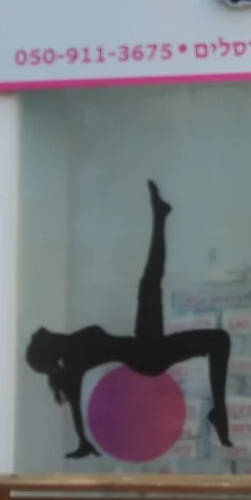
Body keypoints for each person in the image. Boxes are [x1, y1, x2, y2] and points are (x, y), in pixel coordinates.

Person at [25, 180, 232, 459]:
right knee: (151, 282)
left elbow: (75, 408)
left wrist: (83, 441)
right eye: (36, 339)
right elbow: (75, 408)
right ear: (47, 350)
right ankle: (159, 216)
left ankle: (218, 411)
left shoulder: (72, 352)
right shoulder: (73, 362)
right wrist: (83, 442)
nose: (36, 331)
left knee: (217, 339)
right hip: (148, 355)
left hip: (146, 349)